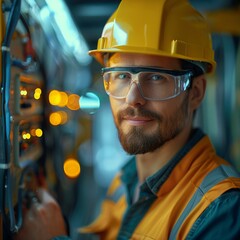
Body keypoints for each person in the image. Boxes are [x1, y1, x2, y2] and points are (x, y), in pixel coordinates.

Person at [14, 0, 240, 239]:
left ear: (195, 92)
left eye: (155, 77)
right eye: (121, 75)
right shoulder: (125, 181)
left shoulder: (221, 212)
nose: (133, 99)